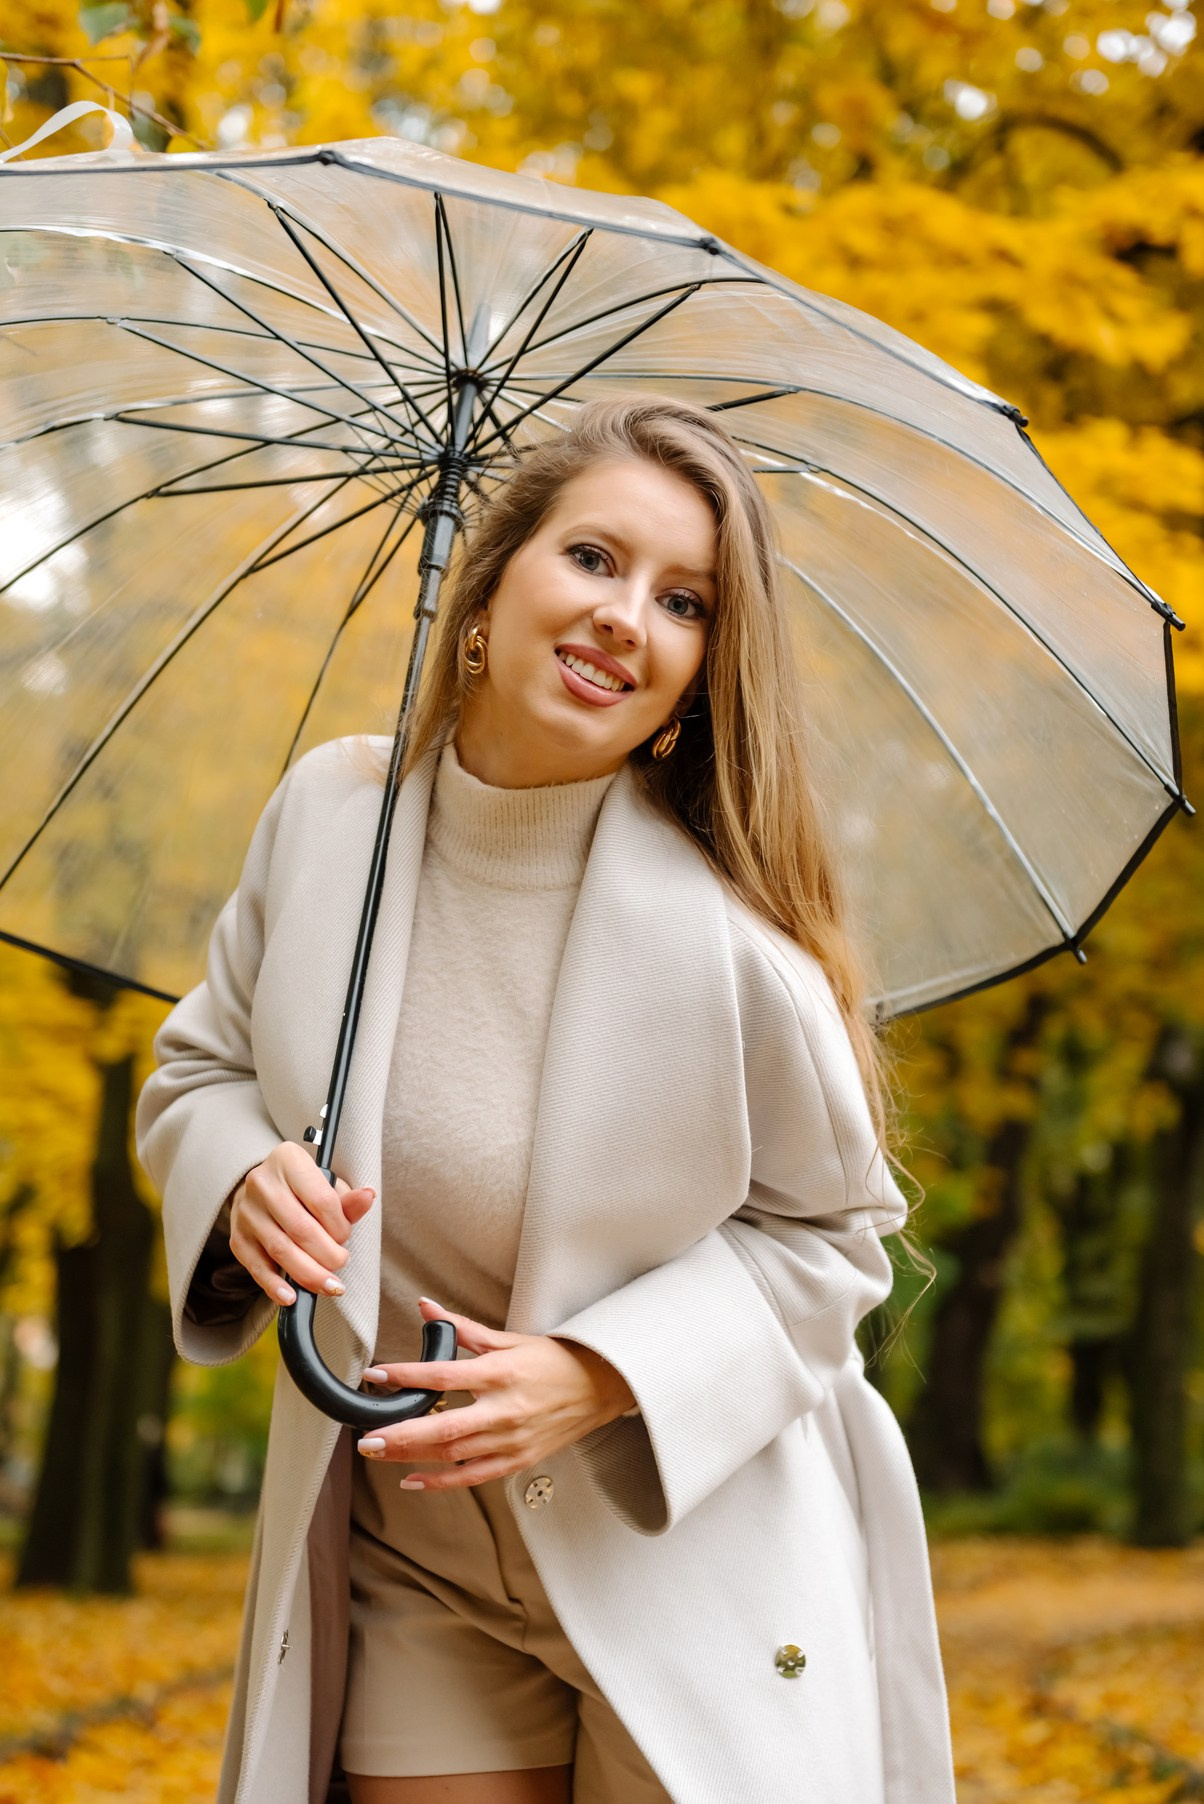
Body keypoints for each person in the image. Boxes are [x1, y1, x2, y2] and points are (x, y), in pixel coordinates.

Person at [135, 394, 956, 1804]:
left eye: (683, 599)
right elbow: (197, 1067)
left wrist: (598, 1375)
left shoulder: (734, 945)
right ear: (491, 583)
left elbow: (833, 1244)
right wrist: (241, 1179)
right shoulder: (335, 823)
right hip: (414, 1558)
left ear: (702, 671)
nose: (626, 616)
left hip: (689, 1559)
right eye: (592, 559)